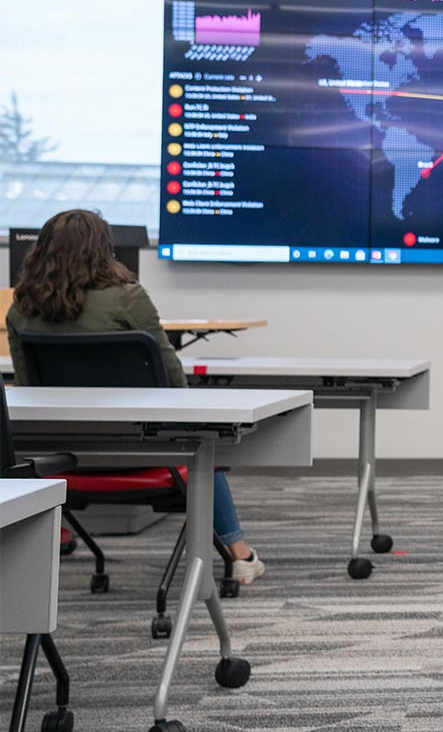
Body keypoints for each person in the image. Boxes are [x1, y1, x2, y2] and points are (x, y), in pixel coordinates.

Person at [6, 210, 267, 586]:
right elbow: (172, 381)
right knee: (206, 447)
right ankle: (239, 555)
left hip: (62, 463)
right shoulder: (128, 298)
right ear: (103, 251)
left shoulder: (21, 310)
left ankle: (56, 536)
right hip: (148, 454)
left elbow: (30, 393)